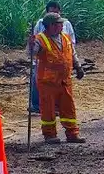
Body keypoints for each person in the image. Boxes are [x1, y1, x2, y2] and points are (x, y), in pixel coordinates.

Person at [29, 13, 86, 144]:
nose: (62, 25)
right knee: (48, 109)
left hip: (64, 80)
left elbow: (72, 53)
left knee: (68, 107)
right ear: (51, 26)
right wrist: (31, 46)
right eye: (59, 23)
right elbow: (31, 54)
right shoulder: (40, 39)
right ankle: (49, 135)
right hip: (48, 81)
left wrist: (78, 67)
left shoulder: (65, 37)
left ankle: (72, 133)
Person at [30, 1, 77, 114]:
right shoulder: (41, 25)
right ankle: (38, 106)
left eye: (57, 12)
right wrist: (31, 46)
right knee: (40, 86)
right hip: (46, 67)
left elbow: (72, 44)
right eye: (52, 12)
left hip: (63, 65)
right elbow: (33, 48)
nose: (55, 14)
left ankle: (58, 107)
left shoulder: (66, 25)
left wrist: (76, 64)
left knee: (63, 89)